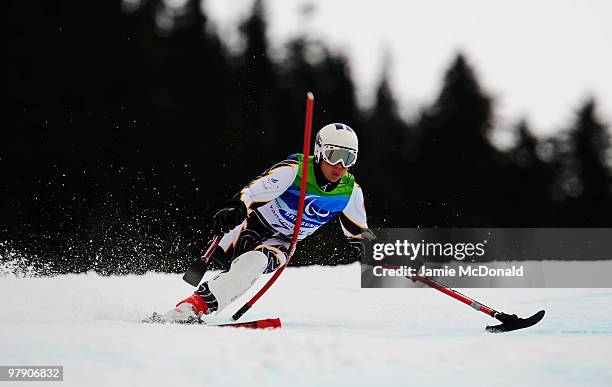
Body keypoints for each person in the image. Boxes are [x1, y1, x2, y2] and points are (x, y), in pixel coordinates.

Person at [164, 123, 368, 322]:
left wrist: (391, 258)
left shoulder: (350, 193)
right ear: (319, 151)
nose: (340, 165)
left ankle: (192, 307)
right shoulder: (295, 170)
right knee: (221, 258)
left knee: (255, 263)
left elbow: (361, 237)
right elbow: (253, 193)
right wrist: (236, 207)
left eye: (349, 158)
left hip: (283, 242)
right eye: (334, 155)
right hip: (253, 225)